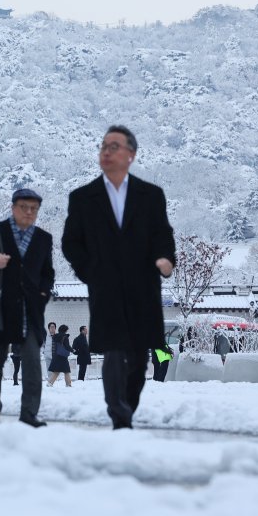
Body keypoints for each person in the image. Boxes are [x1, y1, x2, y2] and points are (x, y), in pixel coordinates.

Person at [62, 125, 176, 430]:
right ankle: (119, 415)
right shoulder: (83, 198)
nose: (107, 152)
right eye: (103, 146)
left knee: (139, 358)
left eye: (114, 146)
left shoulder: (151, 196)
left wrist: (165, 260)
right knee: (113, 350)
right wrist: (91, 273)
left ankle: (127, 408)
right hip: (106, 288)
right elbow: (70, 243)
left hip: (143, 288)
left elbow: (163, 235)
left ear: (131, 155)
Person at [0, 188, 54, 427]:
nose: (29, 212)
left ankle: (29, 412)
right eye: (24, 207)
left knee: (31, 362)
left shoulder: (43, 238)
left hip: (30, 310)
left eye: (34, 209)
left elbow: (48, 273)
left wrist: (43, 293)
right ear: (13, 208)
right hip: (0, 308)